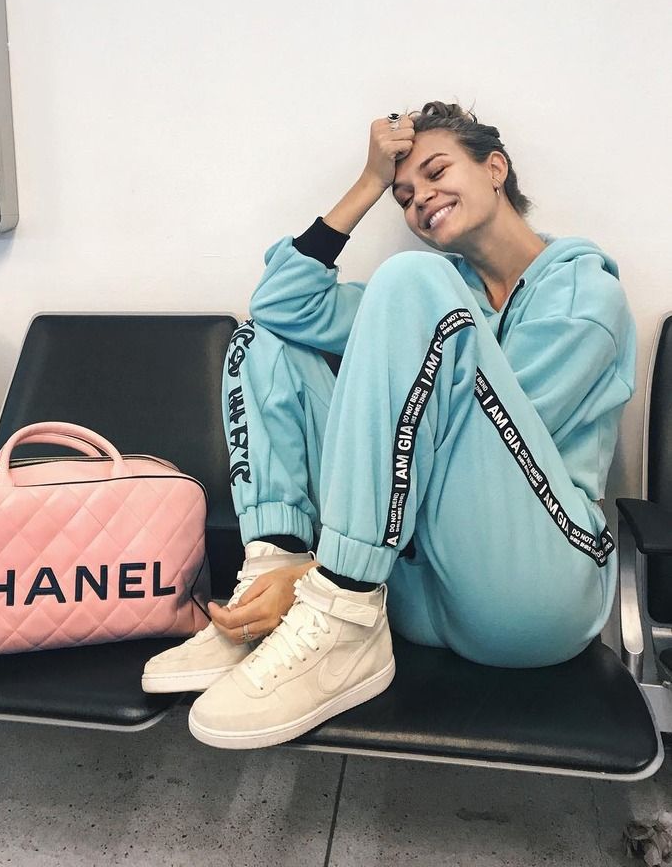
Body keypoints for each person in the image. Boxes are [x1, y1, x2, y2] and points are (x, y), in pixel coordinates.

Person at [142, 101, 637, 751]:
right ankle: (273, 582)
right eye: (404, 195)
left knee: (409, 283)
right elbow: (282, 305)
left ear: (495, 169)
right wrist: (368, 182)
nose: (420, 198)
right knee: (265, 341)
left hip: (531, 591)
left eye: (436, 172)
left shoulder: (582, 296)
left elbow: (494, 457)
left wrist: (321, 573)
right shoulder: (439, 298)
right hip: (414, 593)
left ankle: (335, 599)